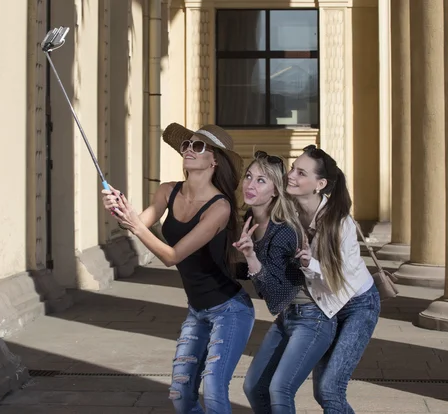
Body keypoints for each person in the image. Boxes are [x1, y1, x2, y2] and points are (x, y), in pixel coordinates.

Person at [102, 123, 255, 414]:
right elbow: (137, 222)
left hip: (230, 311)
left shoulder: (219, 208)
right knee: (181, 395)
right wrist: (119, 208)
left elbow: (172, 256)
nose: (187, 150)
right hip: (197, 309)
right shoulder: (168, 192)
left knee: (213, 391)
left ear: (214, 160)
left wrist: (134, 224)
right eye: (186, 145)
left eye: (197, 146)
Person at [235, 151, 337, 414]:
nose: (250, 185)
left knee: (279, 389)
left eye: (261, 181)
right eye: (249, 176)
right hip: (288, 317)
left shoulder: (283, 231)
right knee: (254, 386)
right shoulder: (250, 221)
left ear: (275, 191)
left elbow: (276, 296)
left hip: (313, 318)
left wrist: (251, 258)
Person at [287, 144, 380, 414]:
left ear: (320, 184)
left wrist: (309, 263)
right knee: (322, 390)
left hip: (358, 305)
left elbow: (341, 282)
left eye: (301, 172)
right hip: (325, 307)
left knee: (330, 388)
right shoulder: (290, 213)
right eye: (293, 168)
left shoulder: (341, 224)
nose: (291, 175)